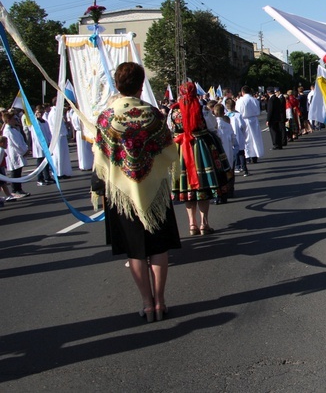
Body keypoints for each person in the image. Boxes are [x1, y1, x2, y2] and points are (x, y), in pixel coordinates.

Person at [91, 63, 181, 323]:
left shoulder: (107, 117)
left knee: (136, 251)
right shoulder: (153, 114)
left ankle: (147, 302)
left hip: (123, 193)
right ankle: (161, 300)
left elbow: (100, 155)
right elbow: (168, 150)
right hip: (153, 190)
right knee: (158, 247)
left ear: (118, 86)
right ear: (141, 85)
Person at [170, 81, 231, 236]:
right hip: (201, 148)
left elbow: (170, 129)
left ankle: (192, 224)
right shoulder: (202, 108)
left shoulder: (174, 111)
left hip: (182, 149)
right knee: (203, 186)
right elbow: (212, 127)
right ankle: (204, 223)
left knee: (189, 187)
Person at [2, 110, 30, 198]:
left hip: (18, 152)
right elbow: (16, 143)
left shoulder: (13, 129)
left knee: (18, 171)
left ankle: (19, 188)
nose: (15, 120)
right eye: (13, 119)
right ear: (9, 120)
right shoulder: (8, 131)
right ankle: (15, 190)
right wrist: (24, 151)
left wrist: (25, 148)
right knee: (15, 172)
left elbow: (21, 140)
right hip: (14, 153)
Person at [235, 86, 264, 163]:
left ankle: (248, 156)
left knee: (246, 139)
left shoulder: (240, 101)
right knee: (255, 138)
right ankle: (255, 155)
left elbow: (238, 112)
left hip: (244, 120)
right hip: (254, 120)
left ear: (242, 92)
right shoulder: (254, 100)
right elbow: (258, 110)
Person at [48, 97, 74, 179]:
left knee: (64, 155)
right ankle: (58, 173)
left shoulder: (58, 112)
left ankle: (64, 171)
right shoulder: (53, 113)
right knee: (58, 155)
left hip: (62, 135)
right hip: (57, 136)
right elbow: (56, 126)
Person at [32, 105, 54, 186]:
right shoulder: (35, 123)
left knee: (46, 162)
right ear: (35, 113)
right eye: (38, 112)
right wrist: (43, 146)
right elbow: (36, 137)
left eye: (42, 112)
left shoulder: (45, 122)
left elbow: (48, 134)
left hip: (47, 145)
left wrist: (50, 143)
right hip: (40, 147)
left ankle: (47, 177)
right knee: (40, 163)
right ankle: (39, 179)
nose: (40, 114)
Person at [68, 107, 93, 171]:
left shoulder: (74, 114)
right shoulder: (80, 114)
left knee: (81, 149)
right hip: (82, 131)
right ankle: (88, 165)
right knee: (85, 149)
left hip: (78, 132)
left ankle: (82, 164)